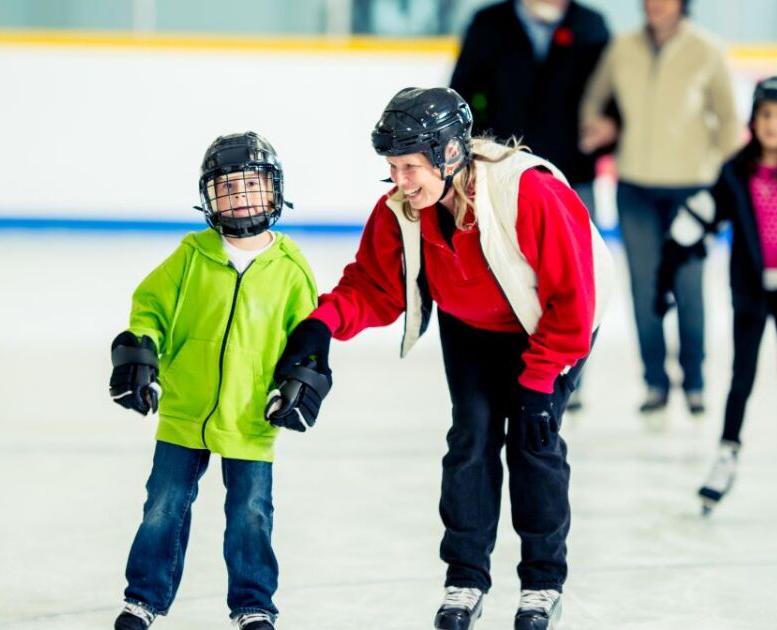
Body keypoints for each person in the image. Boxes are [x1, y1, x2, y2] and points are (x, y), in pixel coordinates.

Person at [273, 87, 614, 630]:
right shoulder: (404, 209)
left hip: (548, 327)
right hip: (473, 329)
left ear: (450, 155)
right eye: (392, 167)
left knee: (534, 444)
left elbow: (574, 299)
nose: (400, 181)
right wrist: (321, 325)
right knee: (471, 441)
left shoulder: (529, 193)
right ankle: (466, 579)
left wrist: (540, 380)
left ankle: (542, 584)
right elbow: (374, 287)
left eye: (410, 167)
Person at [108, 132, 326, 630]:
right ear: (210, 196)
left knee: (251, 514)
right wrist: (140, 348)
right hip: (186, 408)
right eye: (229, 188)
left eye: (251, 186)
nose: (241, 198)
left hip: (252, 414)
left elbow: (308, 335)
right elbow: (150, 307)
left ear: (273, 192)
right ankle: (143, 597)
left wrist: (303, 377)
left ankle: (253, 604)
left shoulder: (290, 268)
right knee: (162, 507)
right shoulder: (191, 255)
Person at [655, 77, 777, 517]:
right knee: (742, 378)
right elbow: (708, 210)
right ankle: (726, 454)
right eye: (764, 114)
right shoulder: (737, 171)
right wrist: (674, 253)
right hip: (751, 291)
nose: (772, 124)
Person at [579, 0, 740, 416]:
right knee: (644, 289)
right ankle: (654, 381)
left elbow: (728, 122)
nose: (655, 4)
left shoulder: (706, 49)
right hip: (634, 188)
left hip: (692, 190)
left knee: (688, 286)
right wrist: (600, 125)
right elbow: (594, 100)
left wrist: (727, 188)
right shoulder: (622, 47)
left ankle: (695, 380)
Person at [450, 0, 610, 216]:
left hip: (572, 172)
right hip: (501, 168)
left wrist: (608, 125)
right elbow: (463, 93)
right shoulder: (489, 23)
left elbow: (611, 91)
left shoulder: (590, 25)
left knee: (575, 246)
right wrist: (479, 147)